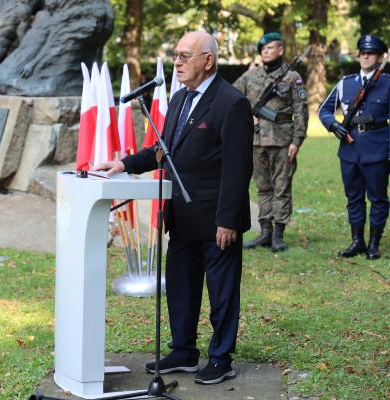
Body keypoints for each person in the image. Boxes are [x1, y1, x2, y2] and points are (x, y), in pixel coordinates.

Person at [92, 31, 253, 385]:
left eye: (184, 56)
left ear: (207, 60)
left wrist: (228, 220)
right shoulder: (179, 99)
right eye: (177, 56)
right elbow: (163, 150)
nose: (177, 63)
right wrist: (124, 164)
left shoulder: (232, 103)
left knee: (221, 291)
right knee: (180, 286)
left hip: (216, 219)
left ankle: (221, 357)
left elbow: (238, 169)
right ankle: (183, 350)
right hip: (181, 215)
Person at [233, 32, 309, 252]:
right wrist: (248, 116)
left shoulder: (291, 77)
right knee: (263, 187)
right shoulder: (250, 76)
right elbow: (231, 96)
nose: (265, 51)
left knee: (281, 188)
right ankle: (265, 231)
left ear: (281, 50)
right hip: (256, 141)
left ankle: (278, 234)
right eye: (262, 49)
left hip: (283, 140)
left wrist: (297, 140)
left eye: (270, 48)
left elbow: (300, 112)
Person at [318, 35, 390, 260]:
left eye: (371, 53)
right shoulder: (345, 83)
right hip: (349, 149)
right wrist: (334, 125)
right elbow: (324, 110)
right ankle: (357, 241)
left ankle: (373, 244)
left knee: (378, 198)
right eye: (363, 52)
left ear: (379, 57)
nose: (366, 55)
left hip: (377, 148)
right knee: (353, 197)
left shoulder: (387, 82)